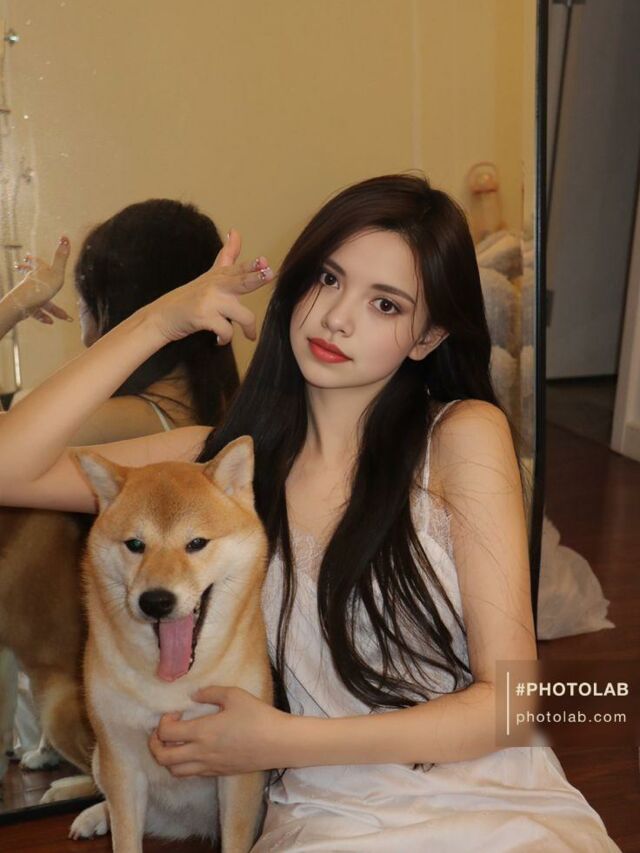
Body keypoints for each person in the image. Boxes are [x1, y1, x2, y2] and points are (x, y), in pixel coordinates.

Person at [0, 175, 619, 851]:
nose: (337, 318)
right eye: (328, 278)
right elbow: (9, 467)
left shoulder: (461, 436)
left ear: (427, 336)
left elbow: (513, 702)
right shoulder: (211, 470)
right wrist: (158, 322)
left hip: (486, 799)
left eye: (385, 303)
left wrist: (283, 741)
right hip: (329, 815)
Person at [9, 199, 239, 441]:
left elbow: (9, 443)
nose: (79, 304)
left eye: (84, 291)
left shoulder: (112, 423)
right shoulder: (216, 408)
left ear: (117, 302)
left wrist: (13, 305)